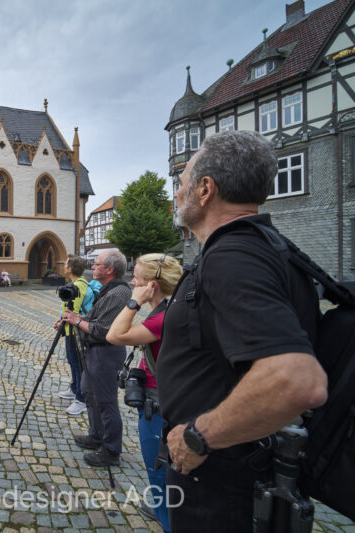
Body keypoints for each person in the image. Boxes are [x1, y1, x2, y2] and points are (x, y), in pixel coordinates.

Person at [158, 130, 327, 532]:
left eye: (181, 183)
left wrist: (198, 437)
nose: (176, 194)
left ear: (205, 189)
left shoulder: (234, 255)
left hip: (221, 481)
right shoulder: (266, 247)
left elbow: (297, 380)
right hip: (239, 472)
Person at [106, 253, 182, 531]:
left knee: (159, 477)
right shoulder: (174, 309)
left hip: (158, 406)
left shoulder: (163, 318)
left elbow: (115, 335)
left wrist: (135, 301)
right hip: (164, 401)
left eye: (136, 276)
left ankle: (167, 521)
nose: (132, 280)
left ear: (152, 284)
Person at [63, 249, 132, 466]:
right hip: (94, 352)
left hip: (106, 352)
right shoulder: (107, 290)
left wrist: (77, 321)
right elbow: (92, 318)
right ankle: (96, 436)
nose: (92, 267)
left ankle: (111, 451)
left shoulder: (119, 293)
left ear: (109, 269)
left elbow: (101, 329)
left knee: (105, 401)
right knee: (88, 394)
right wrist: (72, 318)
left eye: (97, 264)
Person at [53, 255, 91, 416]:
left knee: (78, 364)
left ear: (70, 268)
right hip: (70, 329)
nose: (63, 265)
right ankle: (74, 388)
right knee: (72, 361)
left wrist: (64, 320)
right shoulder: (75, 283)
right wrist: (61, 320)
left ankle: (81, 399)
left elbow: (74, 310)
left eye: (66, 263)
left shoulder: (80, 285)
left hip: (77, 331)